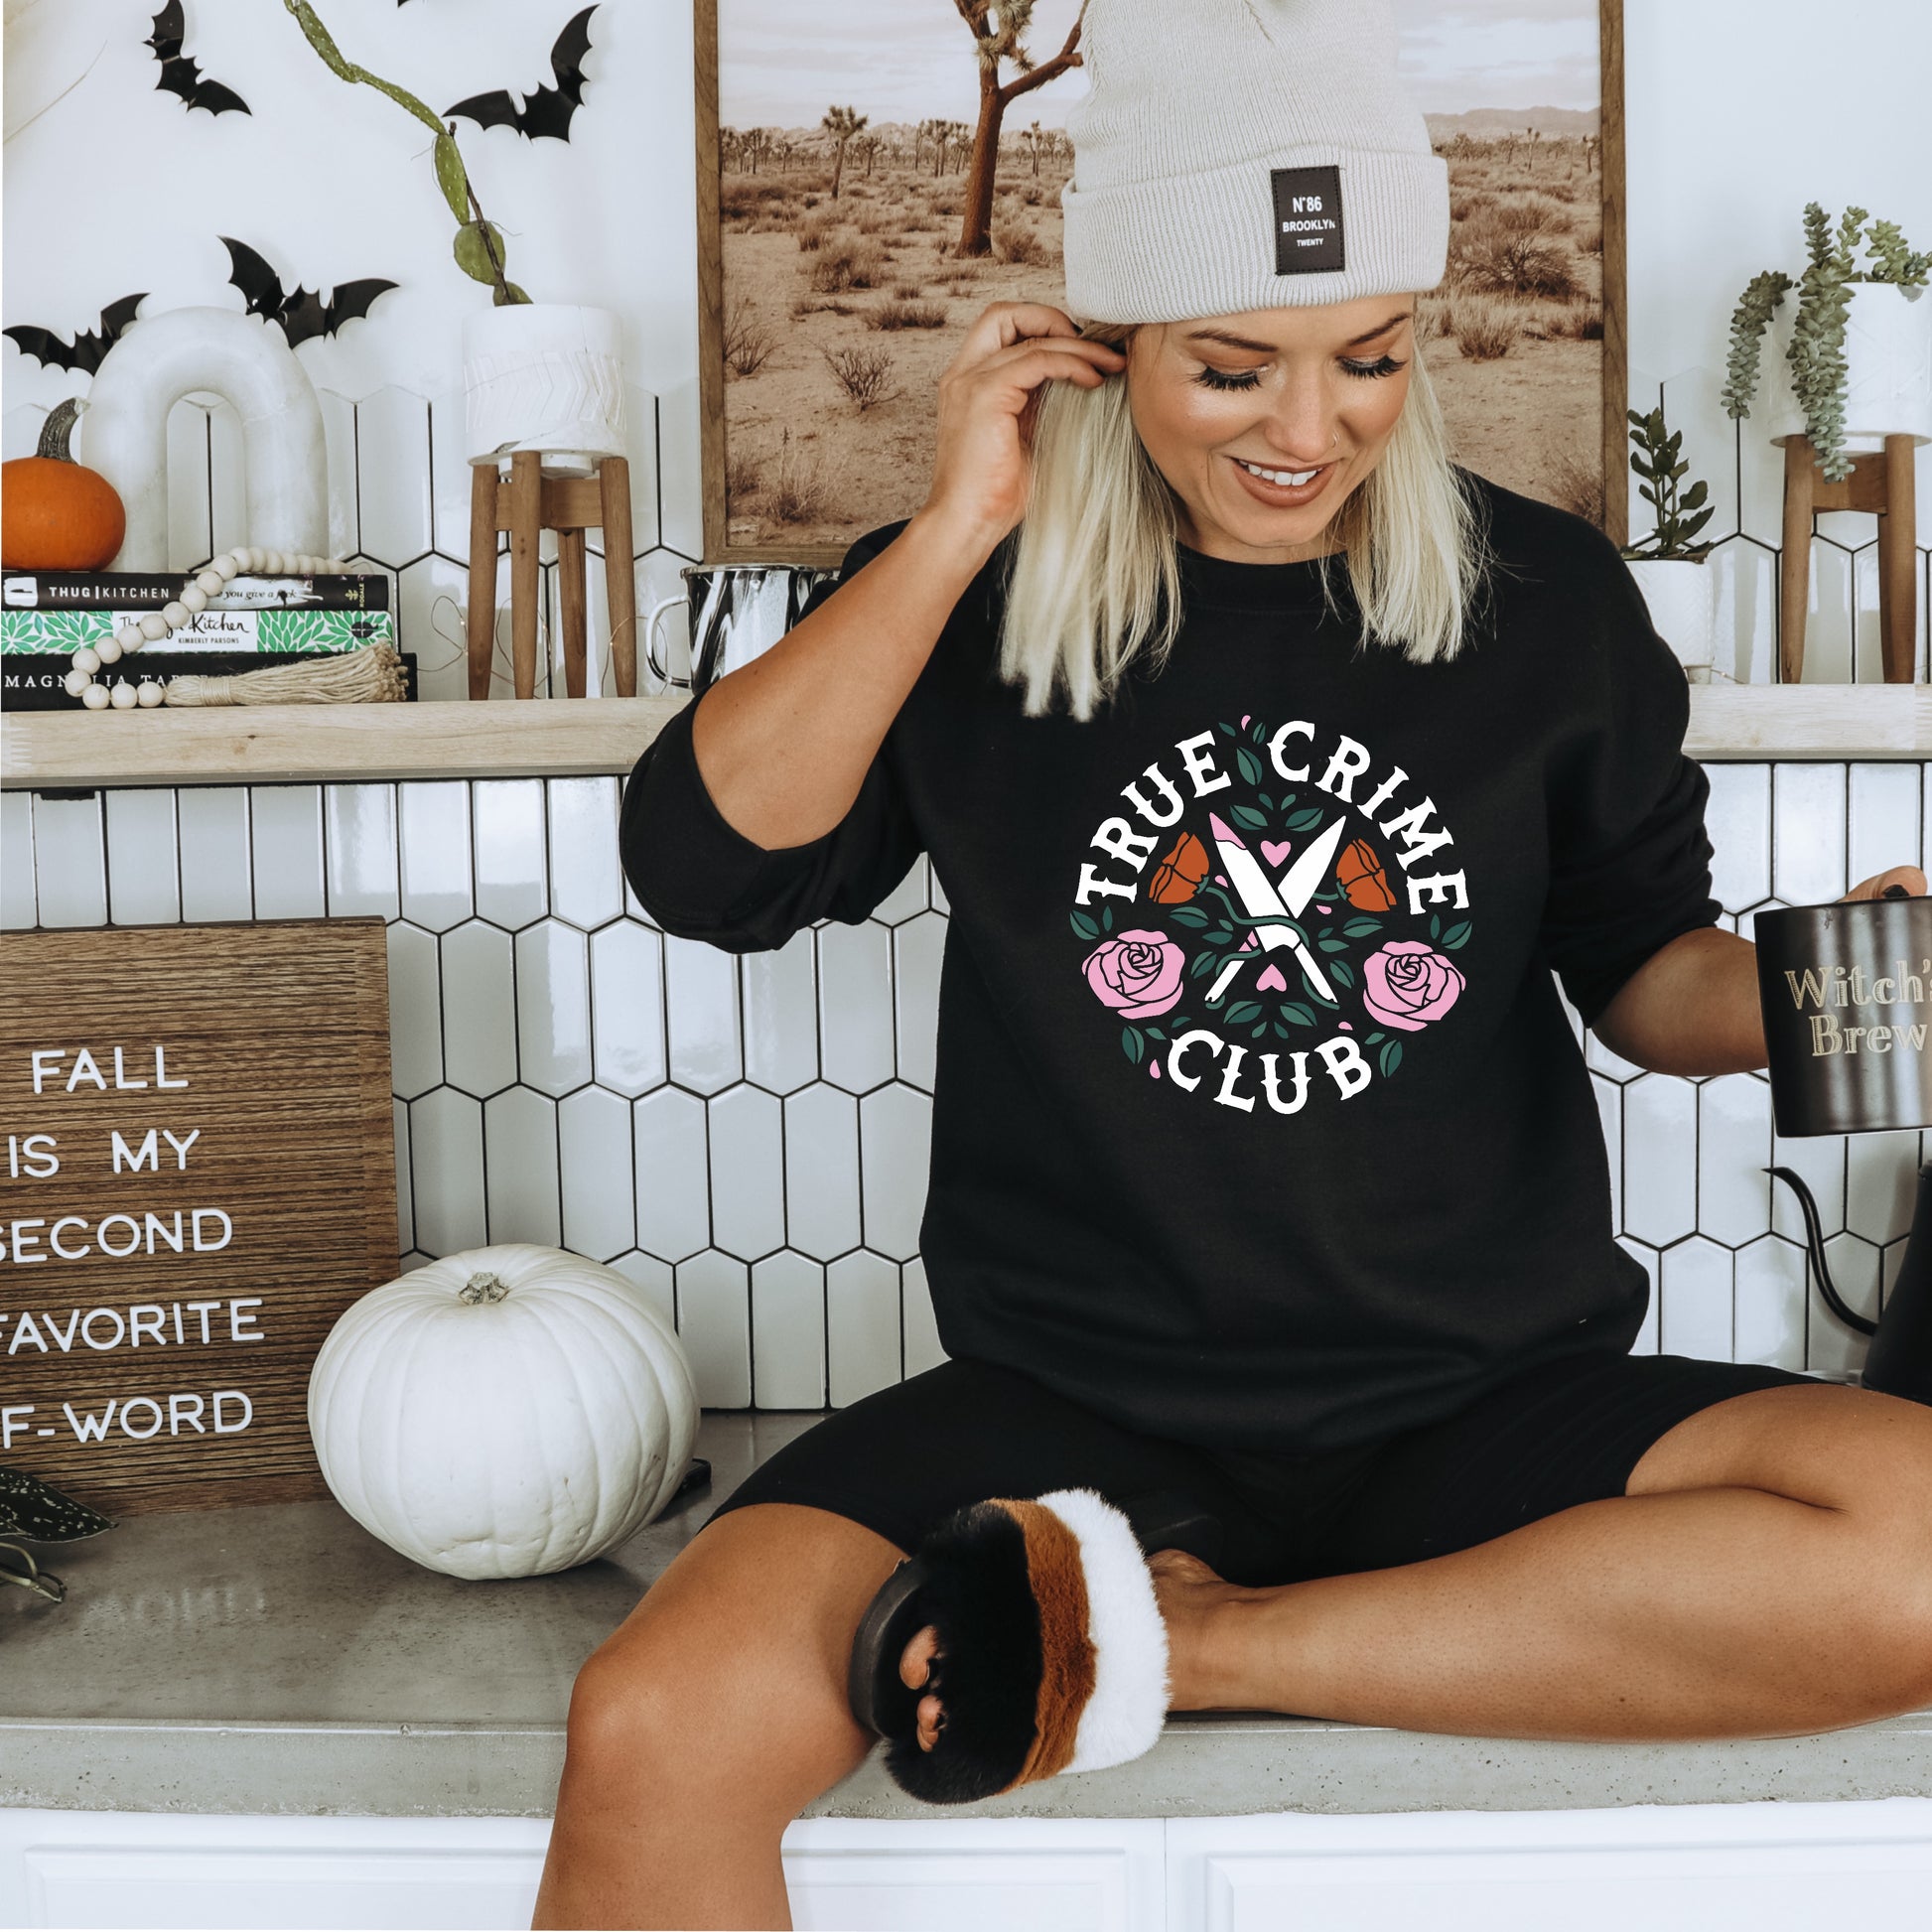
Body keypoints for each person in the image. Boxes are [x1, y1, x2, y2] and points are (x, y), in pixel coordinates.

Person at [533, 1, 1932, 1923]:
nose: (1306, 430)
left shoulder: (1545, 607)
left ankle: (1189, 1640)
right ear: (1103, 345)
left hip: (1482, 1403)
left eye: (1370, 357)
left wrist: (1838, 987)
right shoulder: (978, 603)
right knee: (648, 1724)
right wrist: (951, 530)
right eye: (1230, 368)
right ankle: (1140, 1605)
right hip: (1068, 1414)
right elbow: (701, 869)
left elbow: (1639, 975)